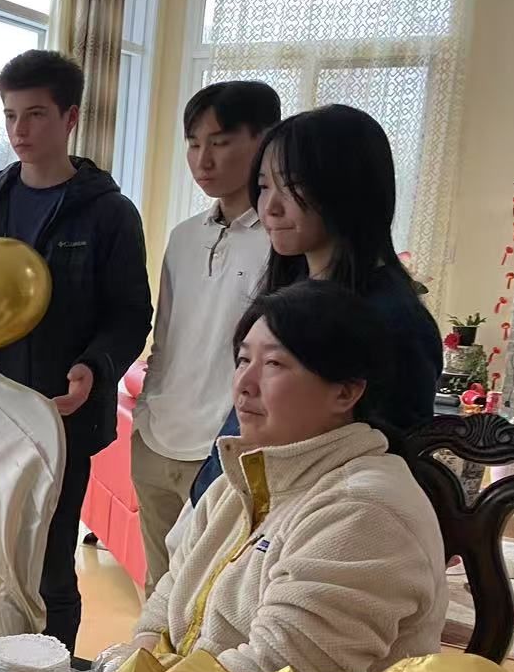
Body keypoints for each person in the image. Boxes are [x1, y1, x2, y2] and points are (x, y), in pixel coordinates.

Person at [0, 50, 152, 649]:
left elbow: (129, 314)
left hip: (58, 421)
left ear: (70, 118)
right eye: (11, 115)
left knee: (47, 562)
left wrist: (92, 369)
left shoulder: (109, 215)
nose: (20, 130)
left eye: (36, 114)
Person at [135, 281, 446, 672]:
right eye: (243, 360)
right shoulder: (239, 481)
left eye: (275, 364)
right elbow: (164, 604)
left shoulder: (364, 510)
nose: (245, 384)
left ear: (345, 393)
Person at [187, 104, 442, 504]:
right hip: (235, 517)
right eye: (264, 185)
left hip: (299, 536)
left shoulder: (392, 319)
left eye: (291, 186)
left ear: (349, 188)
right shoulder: (292, 294)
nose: (268, 207)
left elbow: (386, 466)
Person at [130, 82, 280, 595]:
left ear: (263, 141)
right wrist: (147, 411)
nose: (203, 158)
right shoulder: (185, 234)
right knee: (158, 590)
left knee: (214, 599)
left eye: (219, 141)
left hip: (225, 448)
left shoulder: (283, 242)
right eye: (194, 143)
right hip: (156, 436)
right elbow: (166, 336)